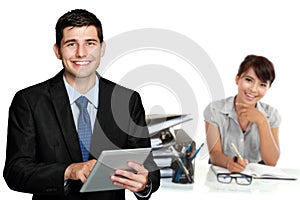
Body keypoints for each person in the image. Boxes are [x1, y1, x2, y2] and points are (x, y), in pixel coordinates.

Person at [3, 9, 160, 200]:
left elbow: (148, 168)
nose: (81, 53)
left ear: (102, 48)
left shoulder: (127, 100)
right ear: (57, 51)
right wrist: (68, 171)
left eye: (90, 43)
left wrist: (144, 184)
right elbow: (15, 171)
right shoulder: (29, 101)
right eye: (71, 44)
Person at [204, 55, 281, 172]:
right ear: (237, 79)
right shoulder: (214, 110)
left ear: (268, 87)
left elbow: (271, 162)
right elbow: (214, 154)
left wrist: (262, 122)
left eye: (262, 85)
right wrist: (229, 163)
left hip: (257, 183)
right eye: (249, 80)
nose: (254, 89)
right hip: (223, 175)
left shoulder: (272, 114)